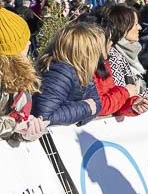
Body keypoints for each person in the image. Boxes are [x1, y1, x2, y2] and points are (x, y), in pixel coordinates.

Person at [33, 22, 104, 126]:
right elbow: (43, 116)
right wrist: (85, 108)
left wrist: (84, 111)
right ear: (85, 52)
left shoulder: (81, 71)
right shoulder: (59, 73)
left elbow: (96, 104)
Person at [0, 9, 48, 142]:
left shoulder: (19, 76)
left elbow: (15, 127)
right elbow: (12, 124)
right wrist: (14, 124)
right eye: (23, 41)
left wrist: (26, 132)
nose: (28, 43)